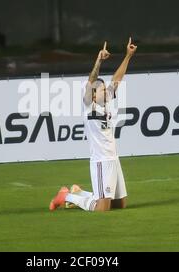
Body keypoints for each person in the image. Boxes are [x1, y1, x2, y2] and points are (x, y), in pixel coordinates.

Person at [49, 37, 137, 212]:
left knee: (120, 205)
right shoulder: (89, 106)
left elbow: (117, 79)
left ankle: (79, 192)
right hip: (101, 161)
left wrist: (128, 56)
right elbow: (91, 82)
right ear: (94, 95)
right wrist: (98, 60)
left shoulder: (106, 104)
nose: (107, 90)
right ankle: (65, 196)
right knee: (101, 209)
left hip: (113, 159)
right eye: (102, 89)